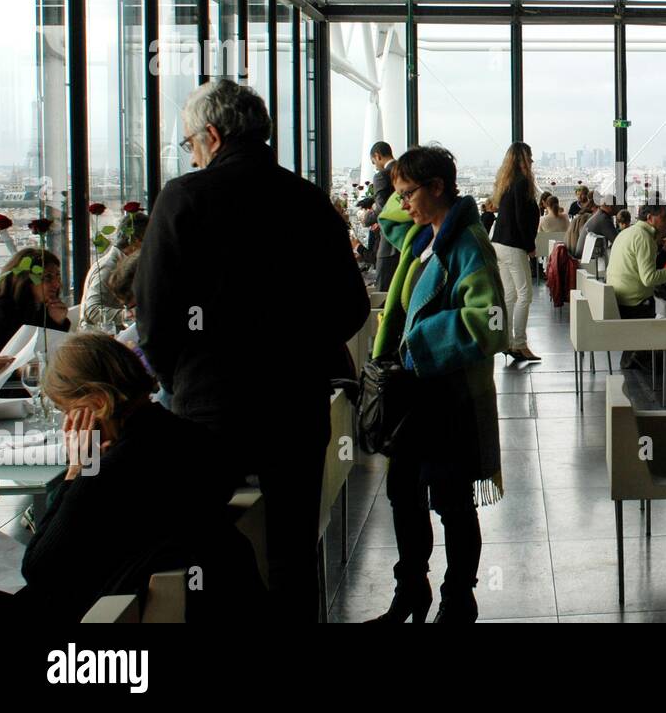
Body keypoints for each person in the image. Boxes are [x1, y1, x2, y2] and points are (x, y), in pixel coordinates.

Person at [134, 79, 369, 622]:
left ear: (212, 136)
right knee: (292, 550)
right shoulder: (307, 200)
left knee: (204, 545)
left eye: (191, 143)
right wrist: (302, 354)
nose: (191, 153)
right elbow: (350, 305)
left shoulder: (184, 199)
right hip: (294, 406)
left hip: (209, 412)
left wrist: (183, 378)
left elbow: (154, 319)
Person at [2, 333, 264, 624]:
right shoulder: (195, 439)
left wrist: (78, 468)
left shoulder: (109, 474)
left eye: (68, 412)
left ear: (97, 401)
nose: (68, 426)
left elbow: (39, 570)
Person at [369, 146, 508, 624]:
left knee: (450, 502)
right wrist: (394, 175)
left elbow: (489, 323)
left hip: (447, 399)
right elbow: (389, 212)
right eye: (400, 193)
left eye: (410, 193)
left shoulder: (466, 244)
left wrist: (418, 343)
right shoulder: (420, 236)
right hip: (415, 397)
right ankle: (411, 590)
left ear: (438, 188)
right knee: (403, 496)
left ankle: (457, 598)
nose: (401, 202)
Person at [606, 204, 666, 368]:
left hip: (619, 299)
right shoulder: (644, 237)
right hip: (636, 304)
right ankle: (657, 361)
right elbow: (649, 279)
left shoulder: (628, 232)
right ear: (649, 218)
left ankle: (641, 354)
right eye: (663, 217)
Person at [490, 142, 542, 363]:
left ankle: (507, 341)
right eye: (529, 156)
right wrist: (529, 244)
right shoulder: (521, 183)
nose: (531, 160)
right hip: (513, 246)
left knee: (510, 295)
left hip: (500, 244)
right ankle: (519, 344)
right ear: (521, 159)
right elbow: (522, 218)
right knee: (525, 294)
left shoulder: (507, 183)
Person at [77, 211, 148, 332]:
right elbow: (92, 311)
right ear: (135, 241)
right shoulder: (108, 268)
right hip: (100, 341)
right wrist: (130, 314)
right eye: (149, 240)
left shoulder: (124, 264)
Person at [0, 248, 72, 349]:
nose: (56, 284)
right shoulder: (1, 311)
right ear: (25, 280)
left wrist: (57, 322)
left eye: (57, 276)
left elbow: (49, 352)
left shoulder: (44, 310)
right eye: (47, 277)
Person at [370, 141, 398, 291]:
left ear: (377, 156)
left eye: (374, 162)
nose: (375, 166)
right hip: (409, 242)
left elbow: (383, 208)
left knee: (383, 292)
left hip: (389, 244)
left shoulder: (381, 176)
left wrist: (367, 218)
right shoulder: (406, 170)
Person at [576, 192, 618, 258]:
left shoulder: (600, 215)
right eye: (616, 205)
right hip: (588, 261)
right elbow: (617, 240)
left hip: (583, 257)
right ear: (610, 206)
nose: (617, 208)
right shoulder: (604, 219)